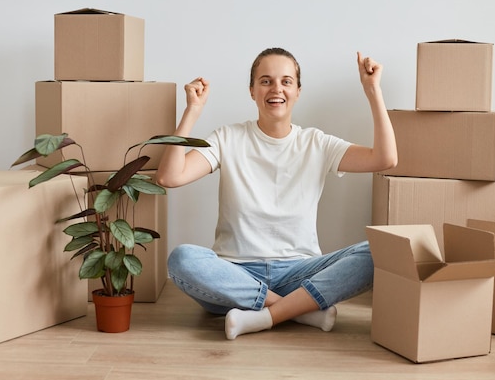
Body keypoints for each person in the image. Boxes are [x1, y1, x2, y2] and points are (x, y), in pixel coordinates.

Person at [156, 47, 397, 340]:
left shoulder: (317, 143)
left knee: (378, 251)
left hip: (299, 274)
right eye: (266, 81)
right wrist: (192, 111)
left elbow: (385, 159)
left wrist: (373, 90)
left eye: (286, 81)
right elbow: (169, 177)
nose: (276, 89)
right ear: (252, 91)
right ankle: (296, 310)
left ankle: (265, 317)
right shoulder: (227, 138)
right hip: (234, 276)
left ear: (297, 90)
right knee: (182, 259)